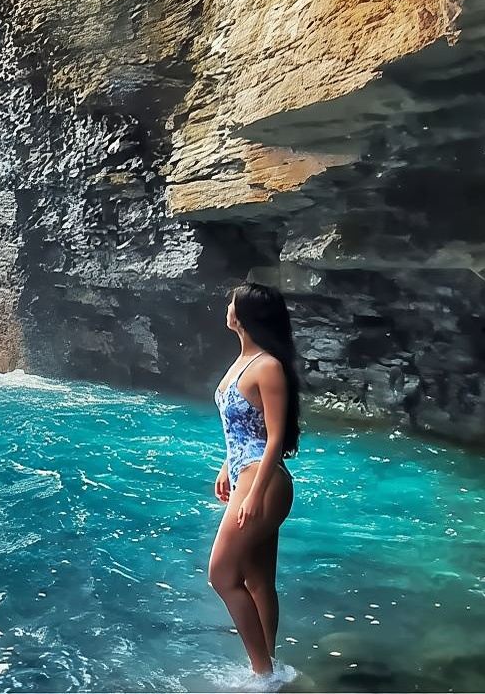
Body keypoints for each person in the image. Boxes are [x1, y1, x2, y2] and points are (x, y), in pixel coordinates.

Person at [208, 282, 302, 678]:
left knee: (221, 575)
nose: (226, 307)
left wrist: (252, 494)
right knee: (258, 580)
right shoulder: (242, 362)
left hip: (262, 482)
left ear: (243, 315)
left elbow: (276, 438)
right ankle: (270, 669)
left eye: (231, 302)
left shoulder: (267, 365)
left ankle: (261, 672)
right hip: (245, 474)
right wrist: (225, 467)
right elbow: (245, 431)